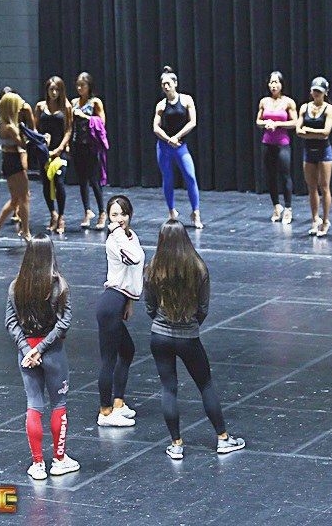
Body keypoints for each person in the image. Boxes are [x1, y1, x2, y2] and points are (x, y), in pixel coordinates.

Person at [145, 220, 246, 459]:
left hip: (160, 336)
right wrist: (190, 325)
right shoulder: (198, 268)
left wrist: (163, 322)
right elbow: (203, 308)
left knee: (168, 388)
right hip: (188, 337)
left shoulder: (152, 268)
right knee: (205, 385)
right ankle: (223, 438)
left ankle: (176, 444)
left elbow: (149, 306)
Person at [6, 234, 80, 480]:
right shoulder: (59, 285)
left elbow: (11, 323)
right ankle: (59, 460)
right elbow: (64, 323)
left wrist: (28, 349)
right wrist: (42, 348)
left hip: (27, 353)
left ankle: (38, 464)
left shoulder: (16, 286)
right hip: (53, 353)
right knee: (59, 404)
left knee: (33, 405)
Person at [96, 195, 144, 427]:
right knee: (109, 359)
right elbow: (133, 259)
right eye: (114, 215)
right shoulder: (115, 240)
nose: (119, 219)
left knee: (127, 350)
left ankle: (118, 403)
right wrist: (115, 231)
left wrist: (130, 302)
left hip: (120, 300)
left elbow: (133, 275)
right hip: (111, 302)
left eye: (123, 214)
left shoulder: (130, 236)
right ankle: (105, 412)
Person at [152, 66, 203, 229]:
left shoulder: (186, 100)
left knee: (190, 176)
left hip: (180, 146)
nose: (166, 86)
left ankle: (195, 212)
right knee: (168, 178)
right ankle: (171, 211)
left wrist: (177, 137)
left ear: (175, 83)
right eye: (163, 84)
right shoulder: (161, 105)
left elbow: (192, 122)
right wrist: (169, 139)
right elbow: (155, 127)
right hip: (165, 147)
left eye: (168, 83)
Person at [295, 77, 332, 237]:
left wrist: (308, 131)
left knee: (324, 187)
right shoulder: (304, 107)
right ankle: (314, 219)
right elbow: (298, 130)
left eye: (319, 91)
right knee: (311, 187)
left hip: (324, 151)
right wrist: (313, 133)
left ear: (325, 93)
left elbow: (326, 133)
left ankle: (325, 221)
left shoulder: (329, 109)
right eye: (314, 91)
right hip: (309, 150)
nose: (316, 94)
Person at [255, 71, 297, 224]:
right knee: (270, 176)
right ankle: (276, 206)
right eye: (271, 83)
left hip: (282, 143)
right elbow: (258, 121)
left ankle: (288, 208)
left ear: (281, 84)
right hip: (267, 143)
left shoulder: (288, 102)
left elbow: (295, 122)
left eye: (276, 82)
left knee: (285, 175)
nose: (273, 86)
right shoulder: (264, 101)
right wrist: (266, 123)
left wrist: (277, 124)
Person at [0, 92, 31, 242]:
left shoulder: (3, 123)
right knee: (24, 197)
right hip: (14, 161)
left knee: (15, 199)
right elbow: (24, 144)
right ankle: (26, 231)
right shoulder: (10, 127)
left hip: (8, 160)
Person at [34, 77, 72, 235]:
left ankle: (61, 216)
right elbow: (35, 128)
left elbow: (68, 130)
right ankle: (53, 214)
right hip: (44, 150)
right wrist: (41, 140)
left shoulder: (66, 107)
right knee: (46, 183)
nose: (54, 93)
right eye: (51, 89)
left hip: (60, 150)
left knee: (59, 182)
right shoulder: (40, 106)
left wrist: (60, 148)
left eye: (57, 89)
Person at [70, 72, 107, 230]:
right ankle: (87, 211)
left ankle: (102, 212)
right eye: (77, 85)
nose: (79, 88)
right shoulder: (74, 102)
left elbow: (101, 122)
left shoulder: (95, 102)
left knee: (94, 179)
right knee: (82, 180)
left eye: (82, 85)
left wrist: (85, 116)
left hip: (91, 146)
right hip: (77, 144)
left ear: (89, 86)